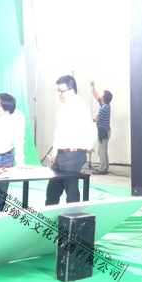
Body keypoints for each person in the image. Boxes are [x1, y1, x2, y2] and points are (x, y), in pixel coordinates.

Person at [46, 75, 97, 205]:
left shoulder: (80, 106)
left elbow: (92, 130)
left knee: (71, 191)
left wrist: (86, 147)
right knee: (52, 191)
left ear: (72, 90)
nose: (59, 94)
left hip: (73, 155)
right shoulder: (63, 107)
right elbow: (59, 132)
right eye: (57, 91)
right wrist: (55, 153)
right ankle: (50, 215)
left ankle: (74, 216)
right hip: (61, 154)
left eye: (61, 91)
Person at [91, 81, 112, 175]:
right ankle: (105, 167)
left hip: (103, 132)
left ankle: (102, 169)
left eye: (102, 95)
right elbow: (96, 96)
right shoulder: (106, 105)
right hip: (105, 131)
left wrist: (87, 119)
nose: (100, 95)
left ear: (104, 98)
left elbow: (97, 119)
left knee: (101, 151)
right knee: (104, 150)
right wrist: (93, 86)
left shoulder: (103, 108)